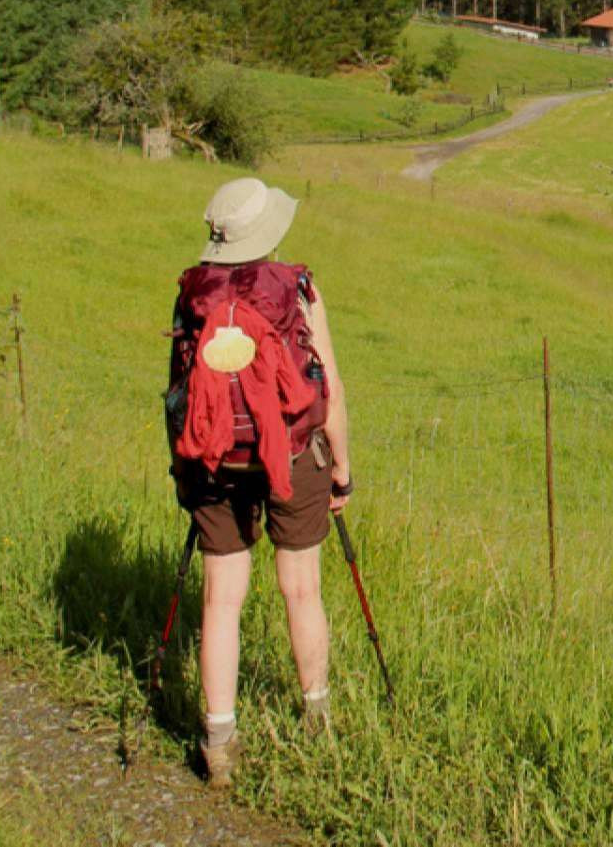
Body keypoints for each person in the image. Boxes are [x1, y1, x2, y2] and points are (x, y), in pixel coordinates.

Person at [165, 177, 352, 788]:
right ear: (269, 233)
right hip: (295, 454)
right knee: (301, 589)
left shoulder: (191, 296)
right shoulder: (299, 288)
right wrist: (341, 468)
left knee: (221, 597)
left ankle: (218, 742)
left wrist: (184, 470)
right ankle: (317, 722)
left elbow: (176, 395)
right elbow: (329, 385)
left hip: (213, 459)